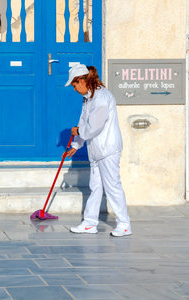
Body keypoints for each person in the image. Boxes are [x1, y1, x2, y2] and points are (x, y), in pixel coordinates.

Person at [65, 64, 131, 237]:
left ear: (81, 80)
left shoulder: (101, 97)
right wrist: (75, 145)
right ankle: (89, 223)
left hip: (108, 149)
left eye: (74, 85)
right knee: (95, 187)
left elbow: (94, 126)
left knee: (112, 186)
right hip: (96, 151)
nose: (74, 89)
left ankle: (124, 224)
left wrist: (78, 132)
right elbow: (83, 122)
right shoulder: (88, 98)